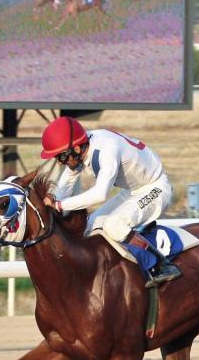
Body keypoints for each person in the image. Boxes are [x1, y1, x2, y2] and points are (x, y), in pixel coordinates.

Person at [40, 116, 180, 287]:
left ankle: (161, 264)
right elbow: (66, 183)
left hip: (156, 187)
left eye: (61, 157)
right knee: (89, 227)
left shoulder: (107, 149)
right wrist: (53, 204)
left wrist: (60, 205)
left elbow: (100, 194)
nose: (61, 162)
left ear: (76, 148)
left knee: (114, 225)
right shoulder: (82, 147)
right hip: (132, 190)